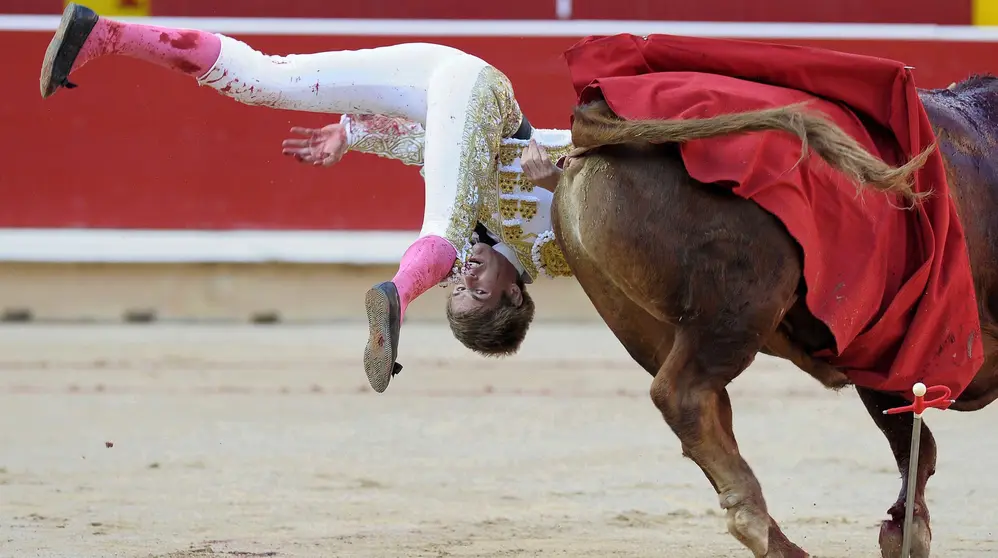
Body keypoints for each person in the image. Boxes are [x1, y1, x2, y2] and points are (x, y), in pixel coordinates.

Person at [40, 3, 578, 393]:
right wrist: (556, 183)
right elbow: (600, 195)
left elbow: (437, 145)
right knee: (446, 225)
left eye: (458, 289)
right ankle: (398, 296)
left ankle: (104, 34)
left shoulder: (473, 239)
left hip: (436, 78)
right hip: (481, 89)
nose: (467, 276)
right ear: (514, 295)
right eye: (478, 291)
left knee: (265, 80)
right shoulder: (551, 255)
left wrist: (352, 133)